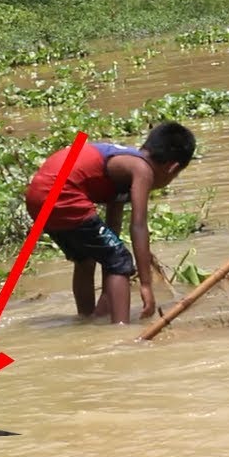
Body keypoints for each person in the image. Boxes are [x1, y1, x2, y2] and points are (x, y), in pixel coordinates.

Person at [25, 123, 195, 324]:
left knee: (87, 258)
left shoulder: (124, 165)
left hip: (38, 195)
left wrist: (107, 298)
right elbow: (138, 226)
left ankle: (86, 321)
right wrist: (146, 285)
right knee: (121, 261)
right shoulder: (143, 170)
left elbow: (111, 234)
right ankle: (120, 331)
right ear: (172, 168)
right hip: (63, 193)